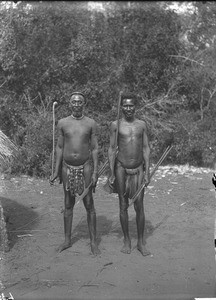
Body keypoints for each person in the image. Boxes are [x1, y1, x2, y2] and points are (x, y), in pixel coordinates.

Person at [50, 92, 100, 256]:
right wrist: (56, 171)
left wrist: (95, 172)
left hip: (85, 166)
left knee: (89, 204)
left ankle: (93, 242)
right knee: (68, 204)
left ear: (84, 104)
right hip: (66, 167)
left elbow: (94, 148)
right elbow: (59, 147)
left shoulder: (90, 123)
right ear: (69, 104)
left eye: (80, 102)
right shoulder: (62, 123)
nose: (77, 104)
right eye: (74, 102)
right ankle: (67, 240)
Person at [108, 92, 151, 256]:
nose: (128, 108)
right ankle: (127, 240)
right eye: (125, 105)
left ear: (135, 106)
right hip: (121, 168)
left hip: (138, 168)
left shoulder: (142, 125)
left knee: (139, 205)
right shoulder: (115, 125)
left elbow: (146, 148)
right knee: (123, 205)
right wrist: (111, 172)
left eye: (131, 105)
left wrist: (147, 172)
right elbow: (112, 149)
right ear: (121, 107)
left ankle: (140, 242)